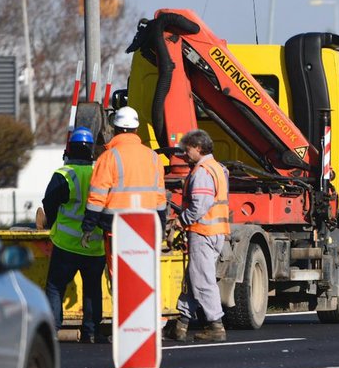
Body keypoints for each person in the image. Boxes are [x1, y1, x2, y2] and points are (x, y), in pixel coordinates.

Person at [42, 127, 108, 343]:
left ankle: (52, 329)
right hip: (94, 246)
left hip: (66, 245)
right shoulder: (100, 172)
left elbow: (49, 203)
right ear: (91, 150)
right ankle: (91, 332)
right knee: (92, 289)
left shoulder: (64, 174)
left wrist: (52, 224)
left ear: (70, 149)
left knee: (55, 286)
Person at [169, 129, 230, 343]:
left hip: (203, 231)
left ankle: (216, 325)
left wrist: (181, 220)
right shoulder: (218, 168)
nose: (185, 154)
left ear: (198, 148)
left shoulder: (203, 171)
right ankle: (181, 324)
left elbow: (200, 205)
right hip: (214, 231)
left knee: (202, 280)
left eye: (188, 150)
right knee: (193, 277)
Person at [81, 106, 167, 253]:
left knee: (119, 273)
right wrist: (161, 226)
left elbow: (97, 198)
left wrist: (88, 228)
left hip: (116, 226)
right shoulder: (153, 157)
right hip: (146, 224)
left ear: (115, 128)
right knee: (142, 273)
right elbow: (160, 198)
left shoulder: (108, 157)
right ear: (137, 129)